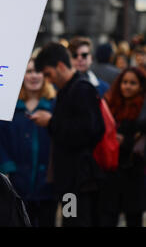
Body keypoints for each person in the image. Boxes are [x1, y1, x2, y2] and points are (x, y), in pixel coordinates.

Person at [33, 42, 105, 227]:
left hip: (77, 182)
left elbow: (88, 131)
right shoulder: (67, 90)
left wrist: (51, 122)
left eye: (48, 74)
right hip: (69, 181)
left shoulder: (81, 89)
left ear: (61, 66)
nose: (48, 80)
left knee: (74, 222)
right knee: (69, 220)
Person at [0, 58, 57, 227]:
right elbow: (2, 143)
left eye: (37, 71)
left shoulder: (54, 106)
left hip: (48, 185)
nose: (33, 76)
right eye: (29, 71)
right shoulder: (11, 108)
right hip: (19, 185)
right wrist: (10, 171)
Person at [100, 67, 146, 227]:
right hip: (112, 173)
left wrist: (125, 141)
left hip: (135, 173)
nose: (127, 86)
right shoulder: (111, 103)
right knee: (108, 217)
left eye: (133, 83)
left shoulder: (142, 109)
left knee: (134, 218)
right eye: (125, 82)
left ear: (140, 86)